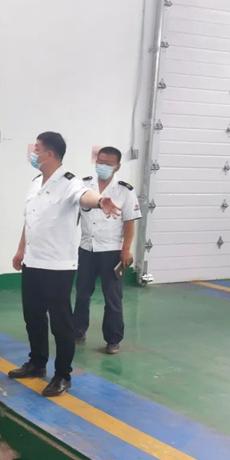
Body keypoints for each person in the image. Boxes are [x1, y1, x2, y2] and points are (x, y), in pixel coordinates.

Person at [8, 132, 120, 397]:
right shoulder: (36, 182)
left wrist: (100, 201)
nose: (33, 152)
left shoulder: (70, 182)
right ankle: (37, 363)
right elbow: (30, 219)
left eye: (37, 148)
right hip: (33, 261)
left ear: (49, 154)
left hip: (57, 265)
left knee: (61, 323)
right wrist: (21, 249)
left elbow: (85, 196)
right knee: (33, 316)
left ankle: (62, 375)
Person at [73, 147, 142, 354]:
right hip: (87, 248)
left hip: (112, 251)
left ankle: (113, 339)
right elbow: (74, 216)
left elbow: (129, 222)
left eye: (108, 163)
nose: (103, 166)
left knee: (112, 297)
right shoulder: (84, 186)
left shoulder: (125, 190)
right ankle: (77, 330)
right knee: (82, 293)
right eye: (100, 161)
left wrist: (126, 250)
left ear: (117, 166)